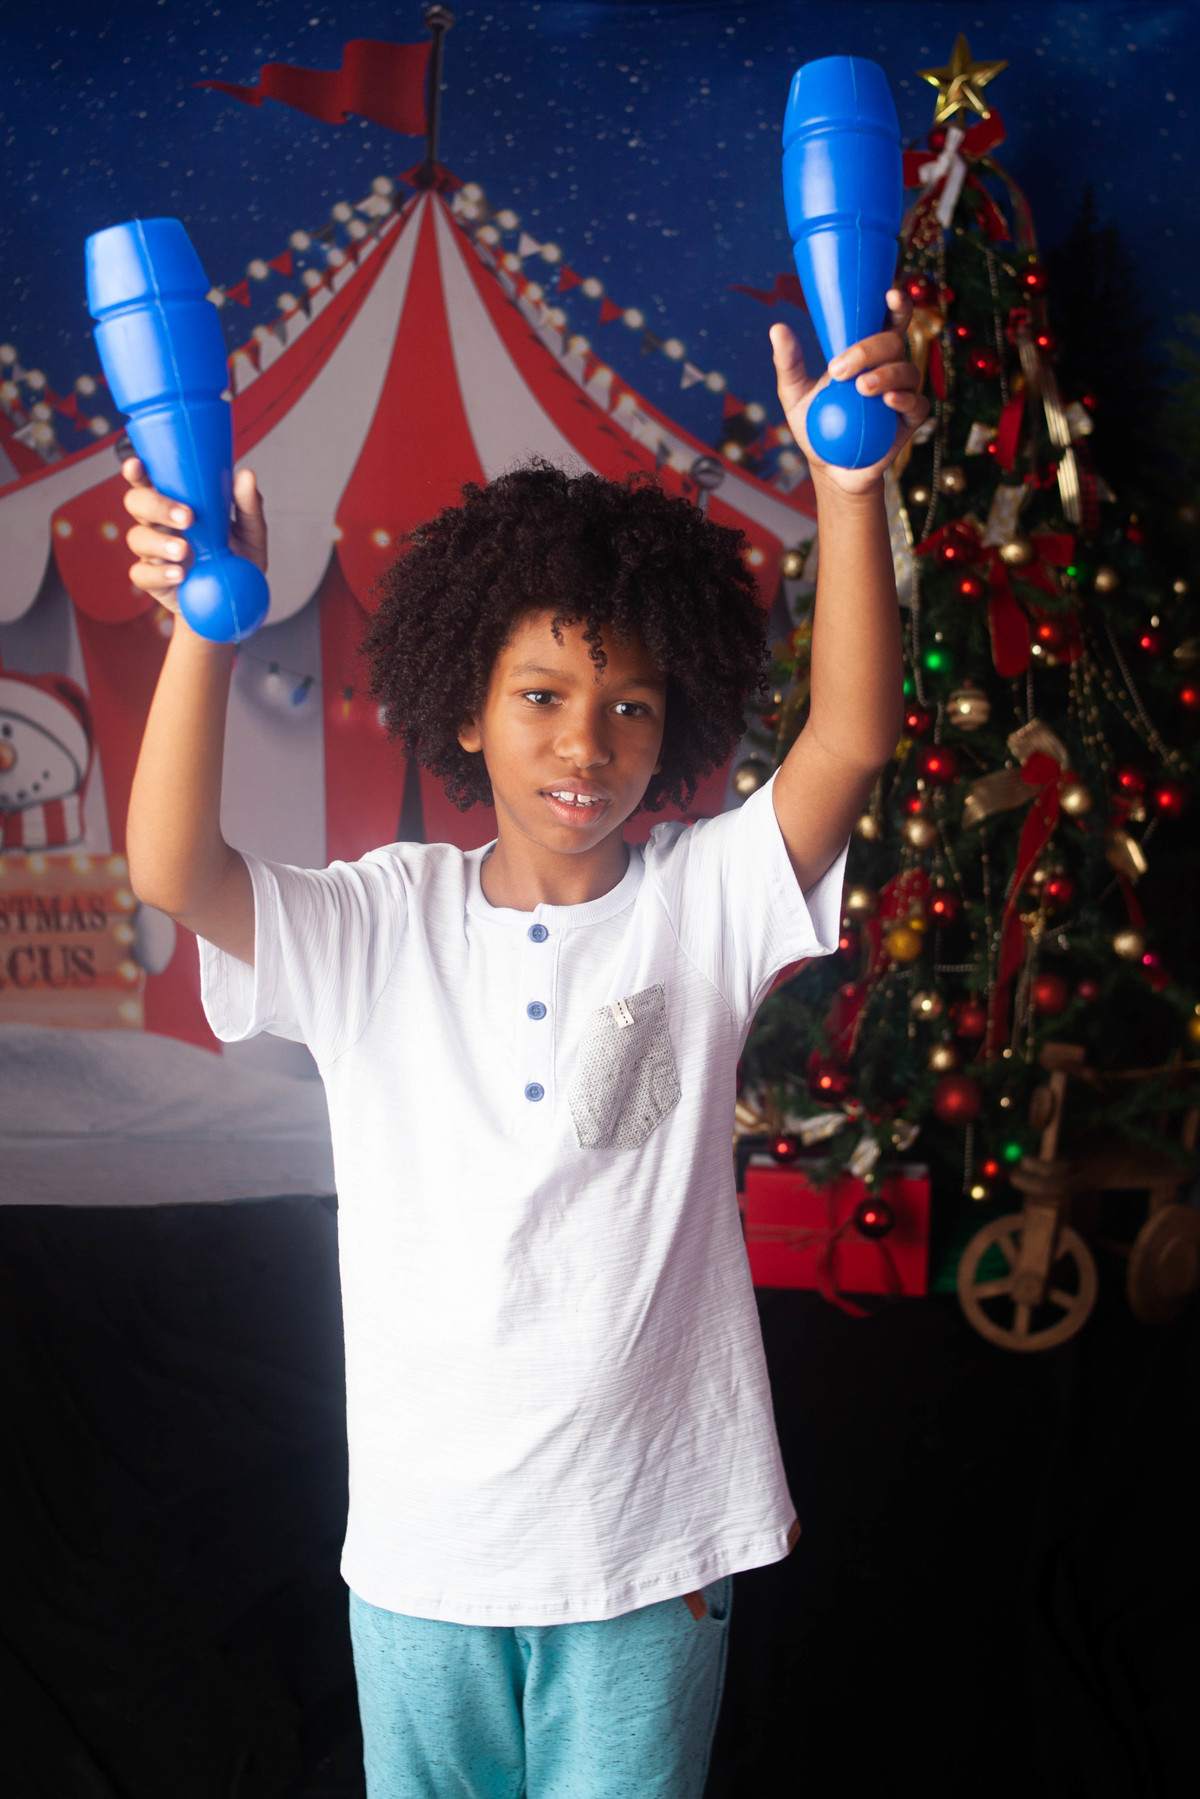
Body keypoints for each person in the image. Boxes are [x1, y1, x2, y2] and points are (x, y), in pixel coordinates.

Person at [123, 295, 927, 1799]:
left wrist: (850, 481)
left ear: (672, 722)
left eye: (630, 707)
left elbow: (851, 740)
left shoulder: (708, 902)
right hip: (425, 1556)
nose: (587, 743)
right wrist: (199, 627)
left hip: (653, 1546)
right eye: (544, 698)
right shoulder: (377, 924)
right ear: (467, 712)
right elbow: (176, 875)